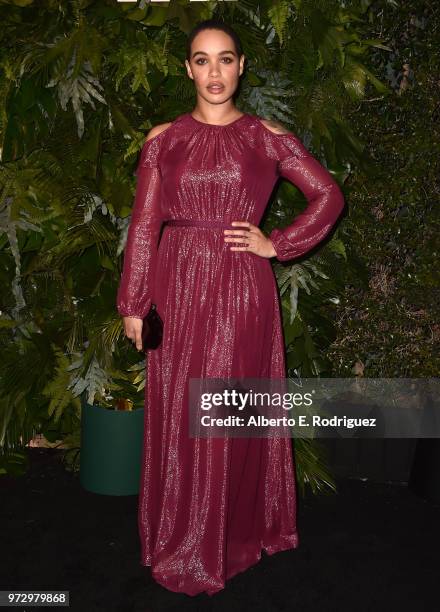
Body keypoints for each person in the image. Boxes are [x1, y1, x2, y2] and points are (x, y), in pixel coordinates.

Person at [116, 19, 345, 597]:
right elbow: (144, 224)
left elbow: (328, 196)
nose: (213, 72)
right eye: (201, 60)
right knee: (177, 403)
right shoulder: (162, 137)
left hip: (242, 286)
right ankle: (180, 533)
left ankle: (224, 535)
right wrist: (133, 300)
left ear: (242, 66)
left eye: (224, 60)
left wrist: (279, 243)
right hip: (176, 281)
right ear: (187, 68)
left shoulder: (267, 136)